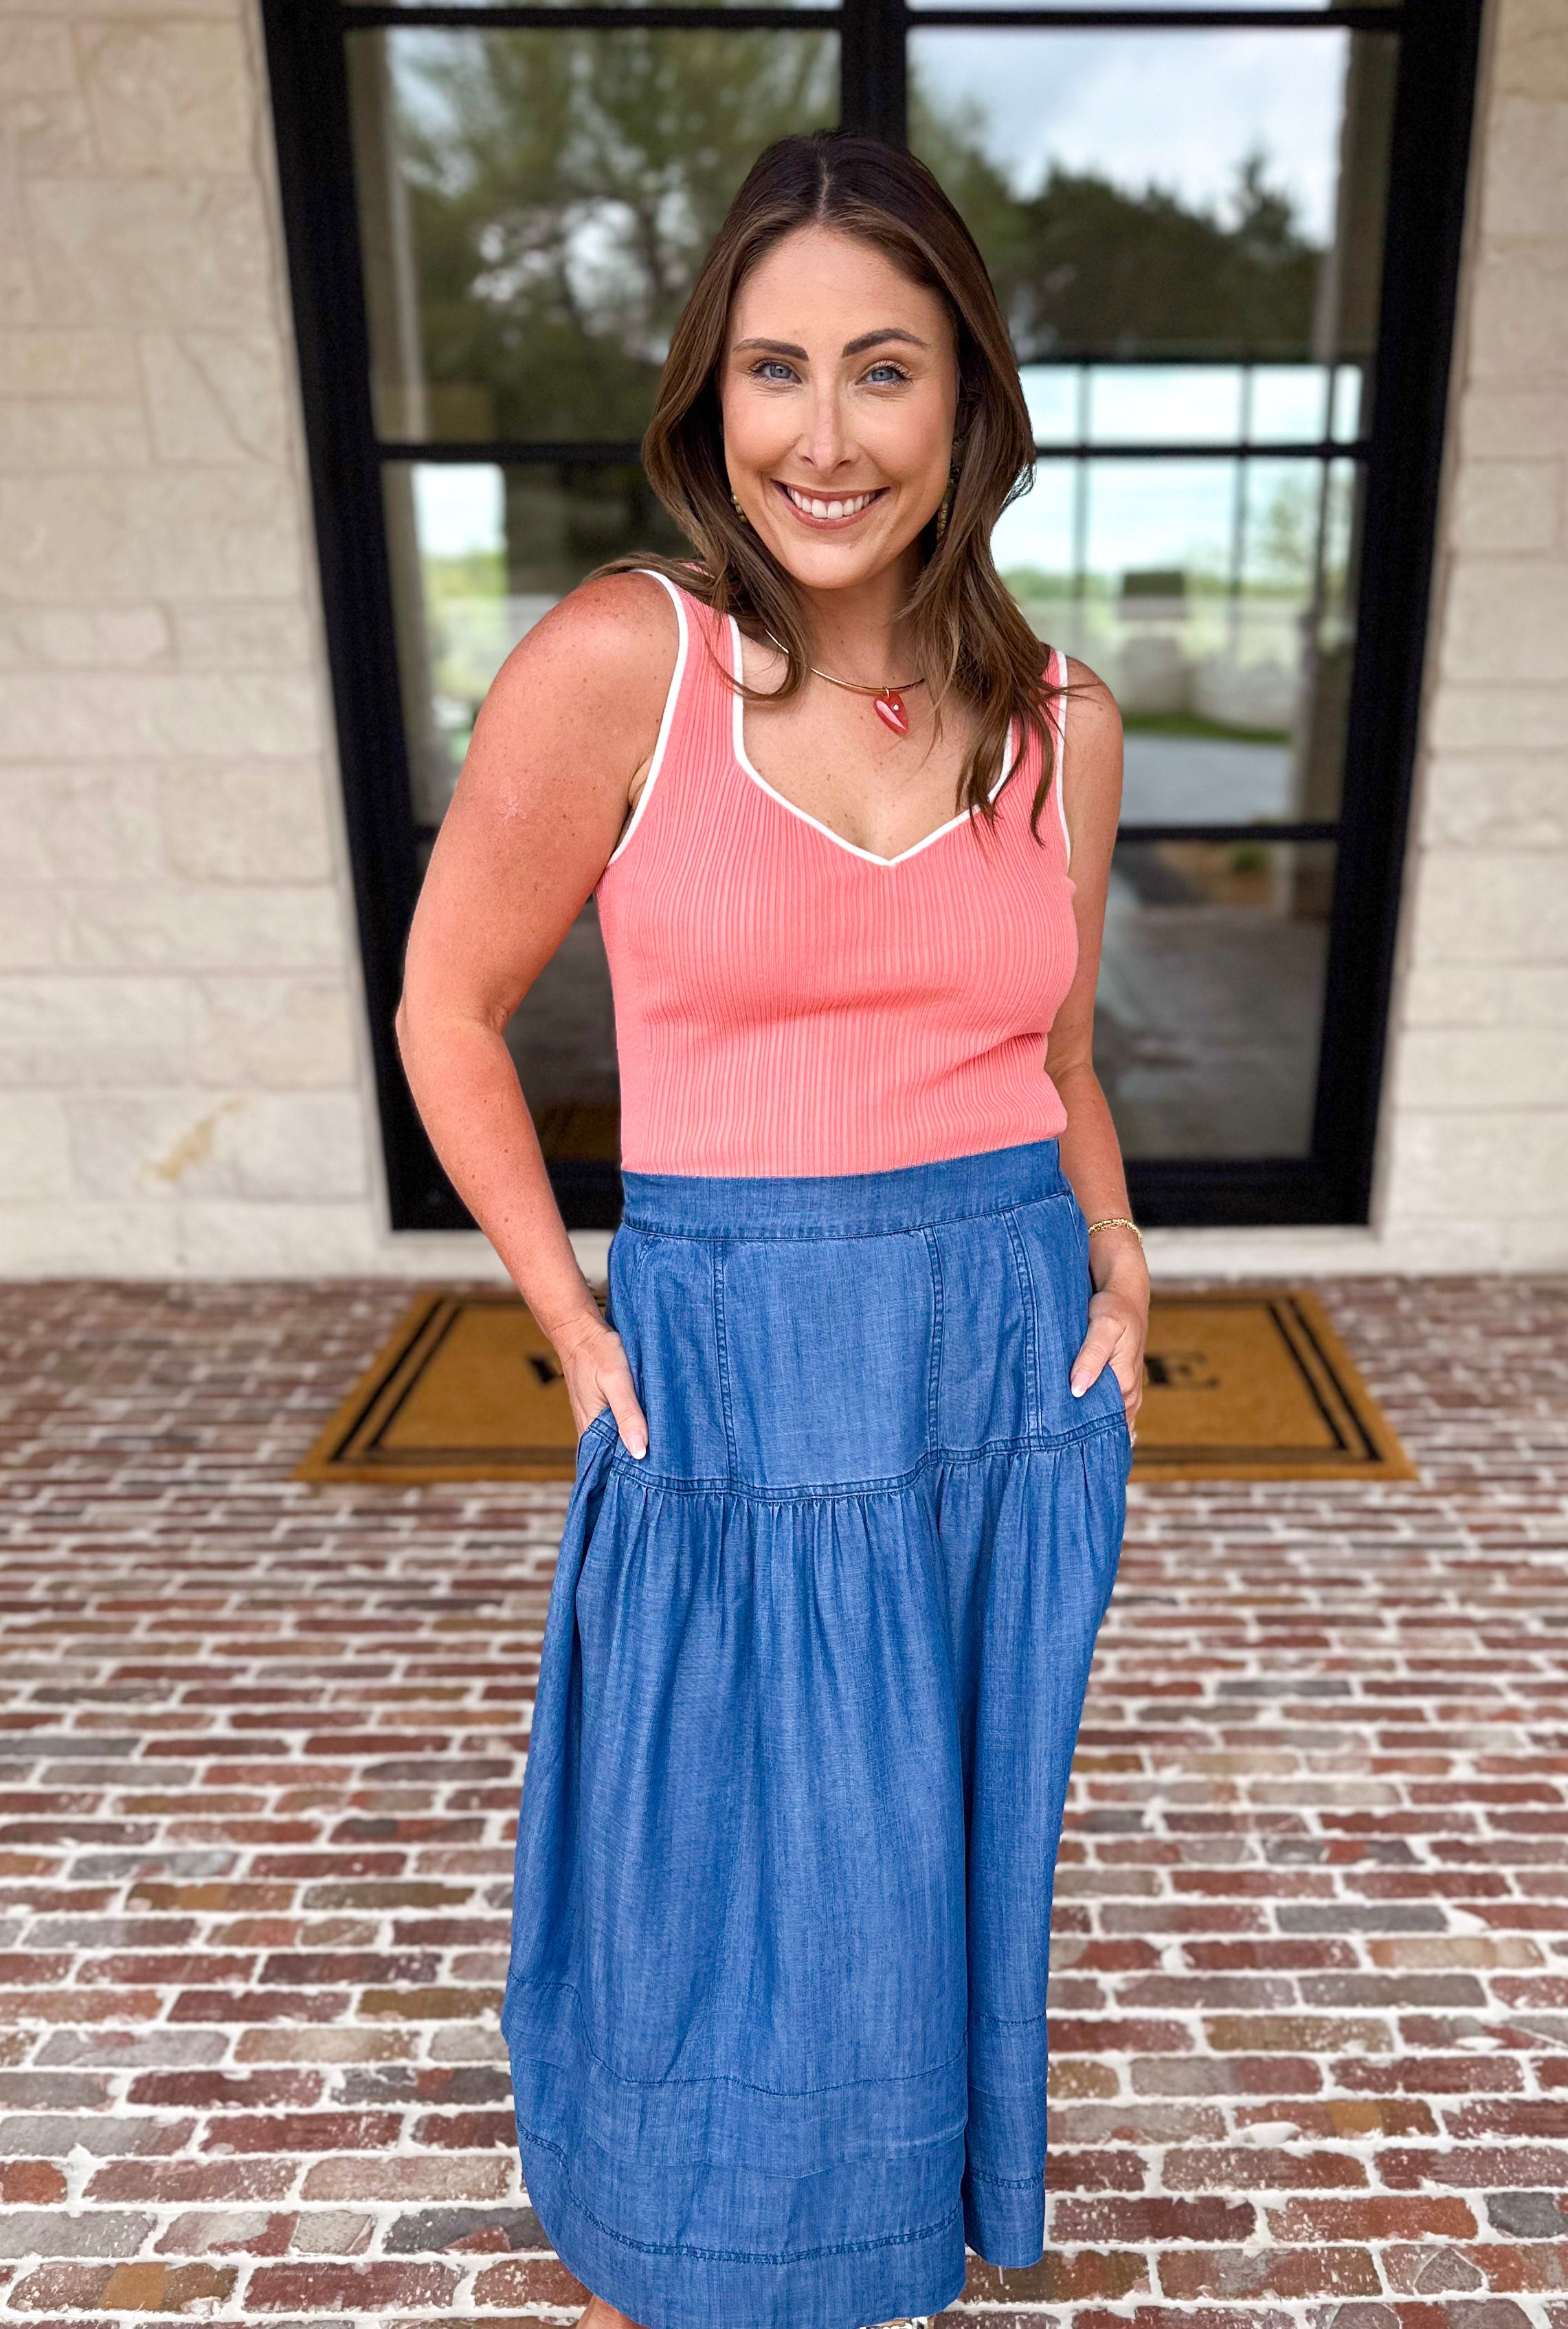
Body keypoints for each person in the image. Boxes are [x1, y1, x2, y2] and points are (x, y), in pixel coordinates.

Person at [395, 129, 1148, 2329]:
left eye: (884, 370)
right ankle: (699, 2255)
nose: (823, 436)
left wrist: (1120, 1268)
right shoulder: (630, 660)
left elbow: (1066, 1050)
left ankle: (908, 2229)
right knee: (734, 1866)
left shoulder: (1063, 723)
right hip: (737, 1357)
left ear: (968, 404)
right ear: (710, 400)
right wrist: (567, 1312)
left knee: (934, 1858)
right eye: (773, 369)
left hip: (998, 1367)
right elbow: (448, 1011)